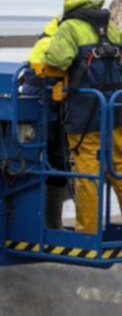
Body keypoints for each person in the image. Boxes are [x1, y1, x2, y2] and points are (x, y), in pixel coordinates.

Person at [44, 0, 122, 235]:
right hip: (114, 111)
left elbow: (58, 61)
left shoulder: (69, 27)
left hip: (84, 114)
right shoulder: (112, 29)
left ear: (67, 0)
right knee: (120, 165)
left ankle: (88, 231)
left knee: (88, 172)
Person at [20, 12, 66, 229]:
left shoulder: (49, 39)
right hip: (44, 112)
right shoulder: (53, 44)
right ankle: (49, 224)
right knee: (51, 163)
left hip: (46, 112)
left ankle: (48, 224)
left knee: (53, 164)